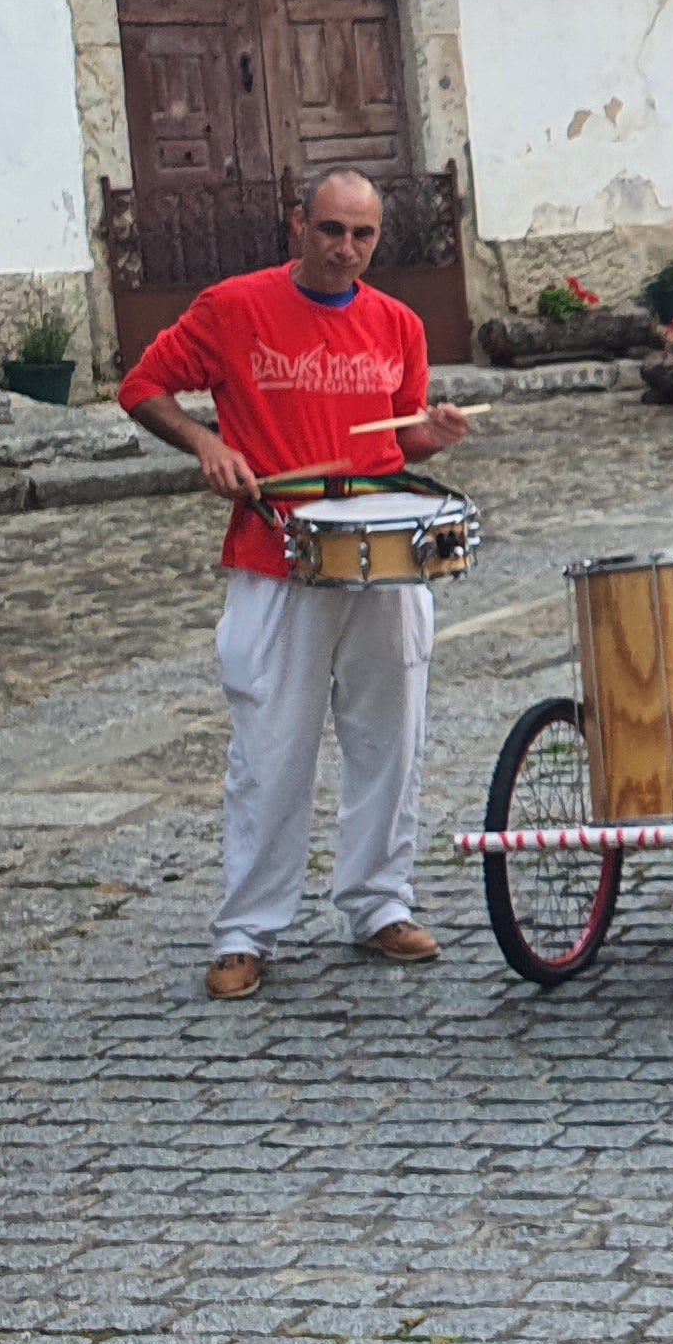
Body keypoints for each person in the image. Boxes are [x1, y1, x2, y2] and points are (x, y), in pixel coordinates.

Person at [119, 168, 474, 1001]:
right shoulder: (233, 307)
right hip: (274, 552)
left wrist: (435, 434)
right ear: (296, 226)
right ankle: (247, 929)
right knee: (269, 751)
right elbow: (142, 387)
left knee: (391, 739)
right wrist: (205, 443)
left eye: (363, 235)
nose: (346, 249)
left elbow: (398, 443)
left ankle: (380, 902)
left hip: (384, 559)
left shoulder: (399, 323)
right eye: (330, 231)